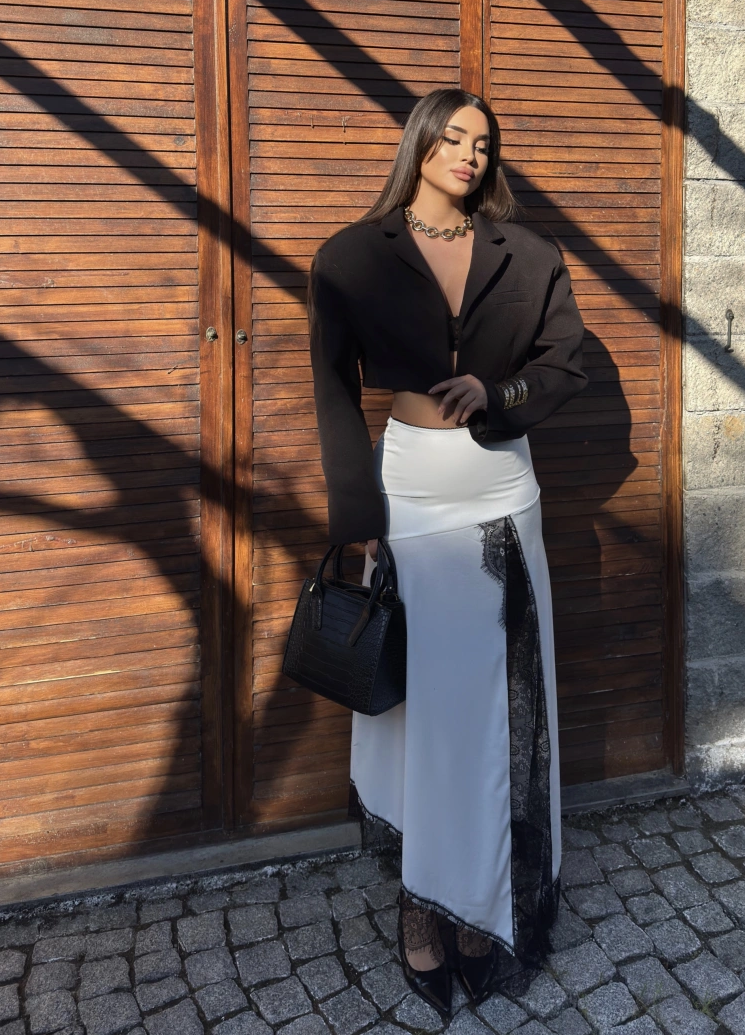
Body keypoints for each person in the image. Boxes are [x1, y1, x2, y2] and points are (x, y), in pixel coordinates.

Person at [308, 88, 587, 1011]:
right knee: (422, 710)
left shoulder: (530, 253)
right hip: (413, 494)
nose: (470, 152)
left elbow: (565, 362)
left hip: (505, 492)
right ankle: (422, 906)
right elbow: (333, 390)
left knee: (496, 708)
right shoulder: (352, 255)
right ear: (421, 143)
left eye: (484, 142)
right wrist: (356, 516)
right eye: (455, 136)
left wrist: (499, 395)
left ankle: (482, 903)